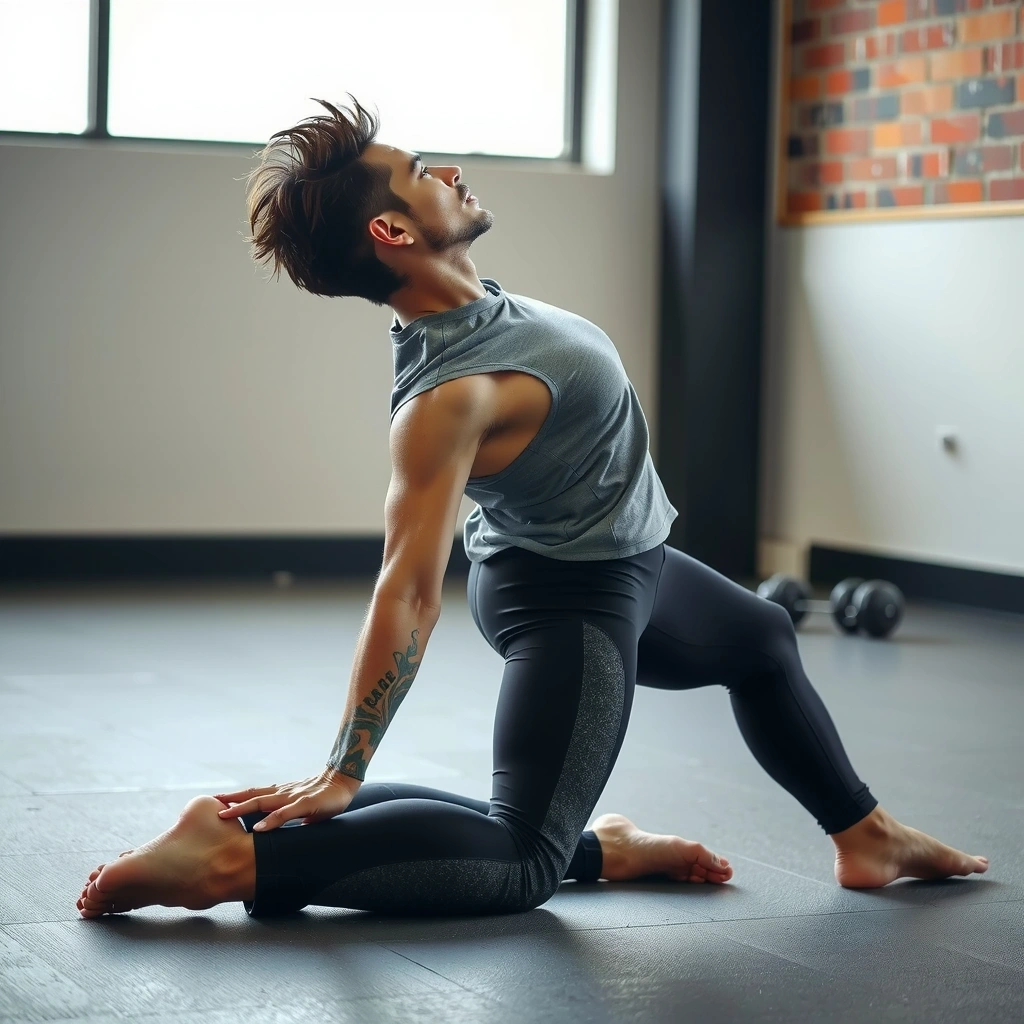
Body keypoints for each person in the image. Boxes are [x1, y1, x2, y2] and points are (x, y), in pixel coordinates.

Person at [78, 98, 988, 920]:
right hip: (573, 600)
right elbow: (406, 588)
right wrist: (344, 766)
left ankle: (864, 836)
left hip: (633, 562)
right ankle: (235, 861)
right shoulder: (449, 397)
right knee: (524, 863)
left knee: (760, 639)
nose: (449, 173)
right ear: (394, 228)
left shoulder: (481, 310)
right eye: (421, 172)